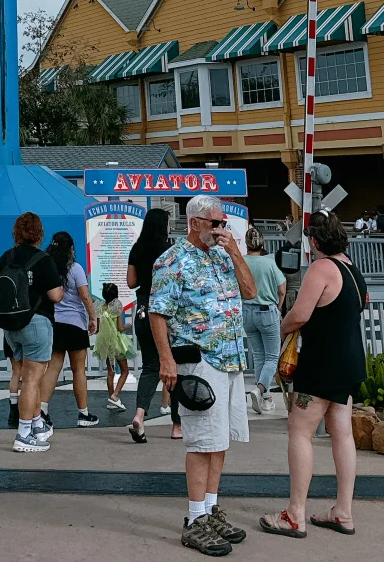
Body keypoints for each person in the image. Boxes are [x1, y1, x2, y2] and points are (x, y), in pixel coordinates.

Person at [150, 195, 257, 556]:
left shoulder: (224, 256)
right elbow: (158, 312)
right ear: (194, 222)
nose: (222, 229)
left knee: (221, 438)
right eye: (216, 223)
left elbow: (251, 292)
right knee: (202, 441)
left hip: (230, 358)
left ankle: (210, 509)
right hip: (199, 360)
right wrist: (166, 360)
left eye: (224, 223)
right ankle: (195, 518)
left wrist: (237, 254)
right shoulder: (172, 260)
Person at [259, 210, 367, 539]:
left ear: (315, 241)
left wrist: (279, 330)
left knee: (300, 432)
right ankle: (343, 512)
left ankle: (295, 514)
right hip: (349, 363)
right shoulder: (352, 270)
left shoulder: (322, 268)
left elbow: (299, 314)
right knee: (342, 435)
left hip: (321, 364)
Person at [0, 211, 64, 454]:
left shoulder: (5, 257)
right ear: (39, 233)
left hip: (10, 325)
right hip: (37, 322)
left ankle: (36, 424)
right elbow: (55, 295)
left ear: (16, 232)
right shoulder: (43, 260)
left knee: (24, 377)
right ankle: (24, 434)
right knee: (32, 380)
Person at [126, 206, 182, 443]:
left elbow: (131, 282)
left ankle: (140, 415)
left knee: (150, 366)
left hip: (142, 309)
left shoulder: (137, 248)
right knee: (174, 365)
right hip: (166, 313)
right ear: (163, 226)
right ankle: (177, 425)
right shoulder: (170, 251)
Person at [39, 230, 99, 428]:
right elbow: (84, 295)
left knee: (53, 367)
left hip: (55, 323)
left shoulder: (48, 269)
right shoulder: (76, 269)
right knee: (78, 370)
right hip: (75, 324)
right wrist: (93, 317)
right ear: (71, 249)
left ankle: (42, 409)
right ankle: (83, 414)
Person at [242, 227, 286, 414]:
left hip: (247, 311)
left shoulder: (241, 262)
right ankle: (259, 389)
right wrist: (278, 307)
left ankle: (265, 397)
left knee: (259, 355)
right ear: (263, 244)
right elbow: (282, 289)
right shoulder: (269, 263)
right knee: (272, 357)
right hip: (267, 311)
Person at [94, 283, 133, 409]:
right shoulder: (116, 307)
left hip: (105, 343)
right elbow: (120, 328)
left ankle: (112, 399)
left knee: (110, 372)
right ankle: (115, 396)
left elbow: (98, 328)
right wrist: (129, 325)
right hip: (117, 344)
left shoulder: (100, 308)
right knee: (125, 370)